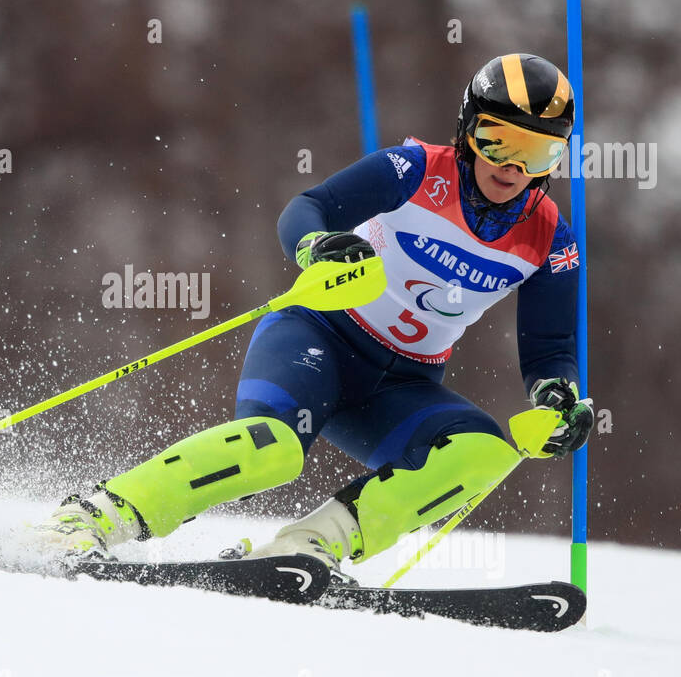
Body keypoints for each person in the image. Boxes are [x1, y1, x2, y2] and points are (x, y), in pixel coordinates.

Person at [31, 53, 594, 568]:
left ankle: (309, 547)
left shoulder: (551, 240)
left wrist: (557, 395)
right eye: (498, 140)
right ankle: (94, 516)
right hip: (317, 339)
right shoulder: (417, 170)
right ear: (468, 130)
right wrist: (316, 245)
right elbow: (310, 207)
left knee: (482, 452)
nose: (513, 166)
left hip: (400, 386)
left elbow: (550, 351)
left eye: (538, 152)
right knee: (272, 451)